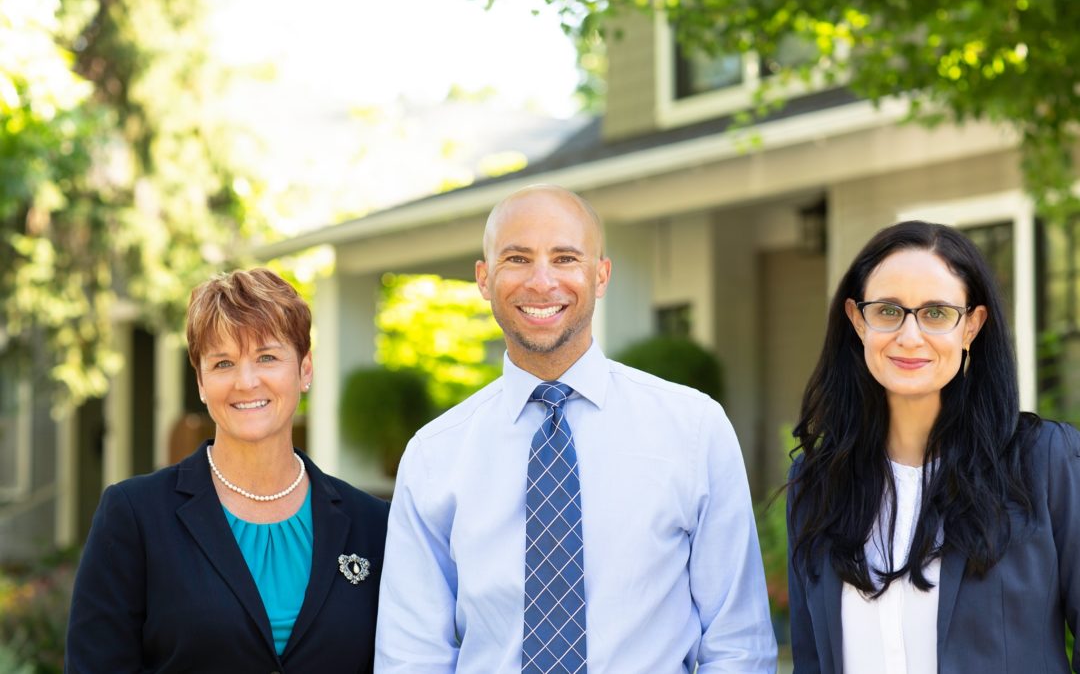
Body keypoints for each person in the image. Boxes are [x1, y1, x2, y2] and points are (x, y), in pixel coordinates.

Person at [375, 184, 776, 672]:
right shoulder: (434, 454)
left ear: (601, 274)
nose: (542, 282)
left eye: (565, 258)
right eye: (517, 259)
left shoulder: (693, 428)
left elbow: (738, 642)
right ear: (484, 278)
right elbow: (412, 654)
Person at [786, 221, 1080, 673]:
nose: (909, 336)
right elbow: (810, 659)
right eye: (888, 310)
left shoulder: (1045, 462)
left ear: (972, 326)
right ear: (857, 320)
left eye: (936, 313)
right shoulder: (816, 482)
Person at [66, 268, 389, 673]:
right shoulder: (134, 516)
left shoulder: (374, 525)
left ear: (305, 369)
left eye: (267, 357)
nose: (246, 381)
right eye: (223, 363)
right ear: (200, 381)